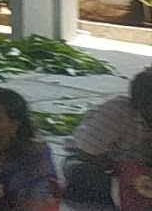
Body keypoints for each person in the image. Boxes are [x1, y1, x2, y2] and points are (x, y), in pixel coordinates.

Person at [62, 68, 152, 206]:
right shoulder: (116, 112)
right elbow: (84, 151)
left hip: (140, 174)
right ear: (145, 106)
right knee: (81, 172)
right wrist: (121, 171)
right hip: (99, 164)